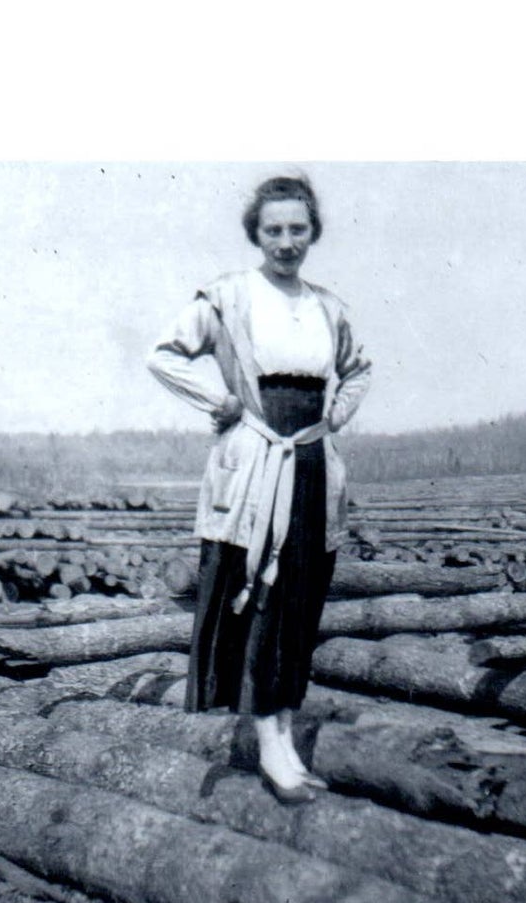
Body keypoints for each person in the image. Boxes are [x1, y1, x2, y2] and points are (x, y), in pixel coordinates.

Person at [147, 174, 371, 801]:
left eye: (297, 229)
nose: (286, 241)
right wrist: (216, 400)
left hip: (309, 462)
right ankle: (269, 746)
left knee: (300, 600)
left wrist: (335, 419)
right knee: (256, 596)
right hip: (251, 464)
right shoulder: (227, 295)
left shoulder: (330, 307)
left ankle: (283, 734)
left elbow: (358, 370)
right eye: (273, 230)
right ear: (257, 233)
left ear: (312, 231)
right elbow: (163, 354)